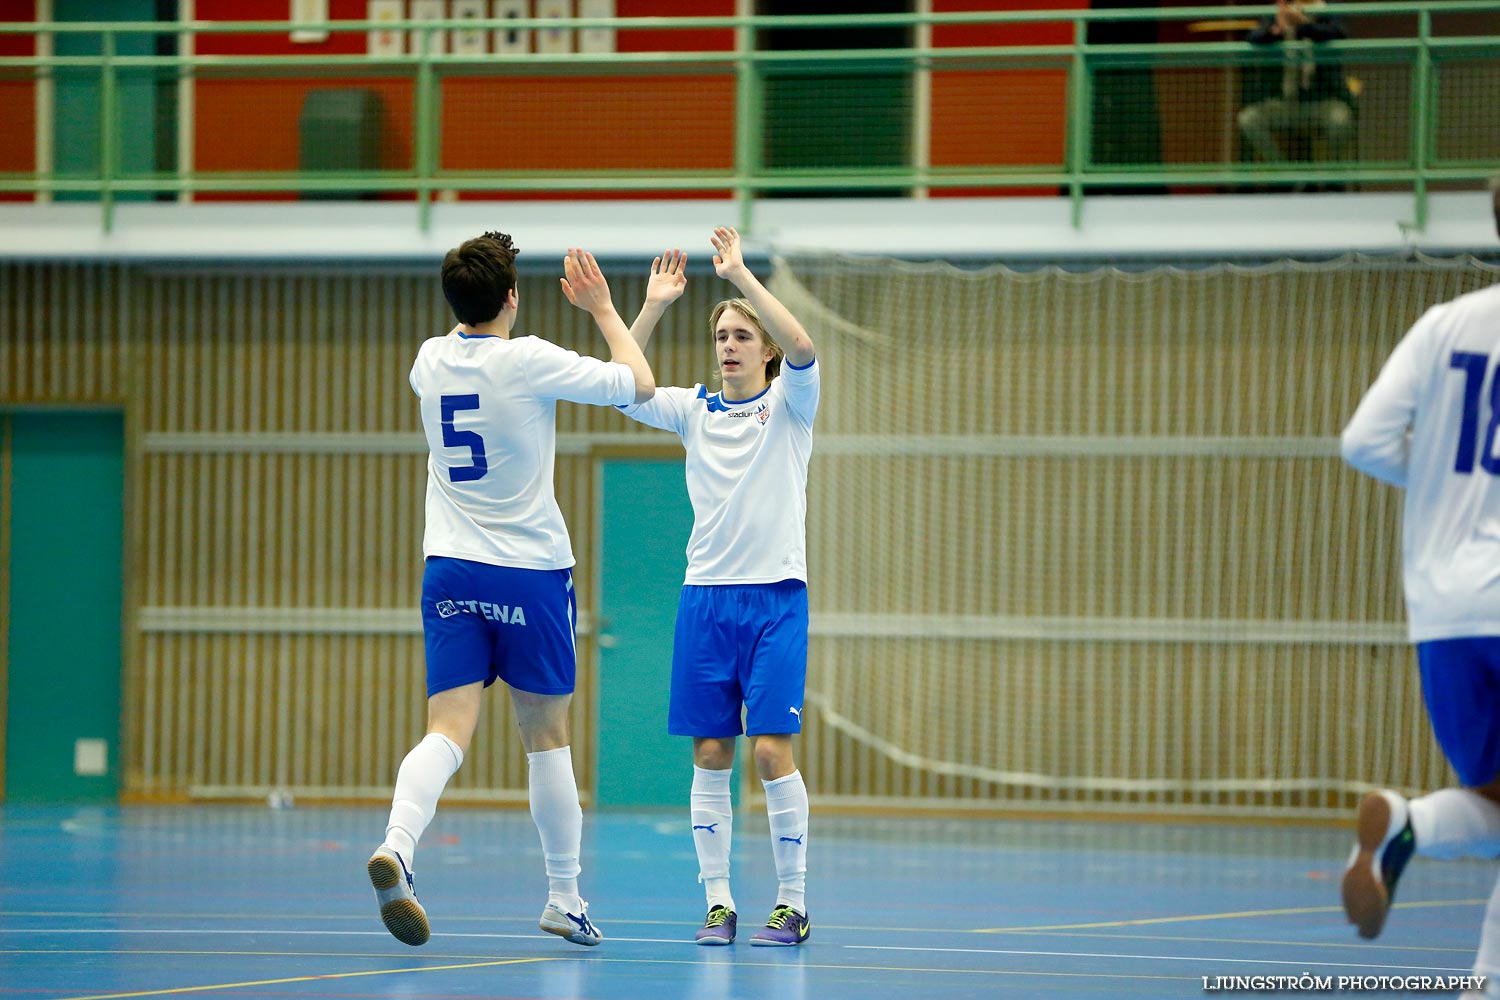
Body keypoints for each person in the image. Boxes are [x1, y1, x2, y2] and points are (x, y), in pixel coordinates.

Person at [367, 231, 655, 949]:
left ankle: (399, 845)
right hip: (527, 571)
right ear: (513, 299)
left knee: (447, 728)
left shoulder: (428, 361)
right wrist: (605, 308)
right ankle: (564, 896)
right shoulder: (529, 359)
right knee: (545, 737)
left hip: (450, 571)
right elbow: (638, 385)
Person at [619, 228, 819, 947]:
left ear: (762, 349)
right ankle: (718, 902)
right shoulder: (693, 409)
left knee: (770, 751)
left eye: (743, 335)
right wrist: (649, 307)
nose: (730, 345)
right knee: (711, 753)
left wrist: (742, 275)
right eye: (723, 335)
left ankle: (792, 902)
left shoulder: (792, 407)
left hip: (774, 600)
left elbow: (803, 347)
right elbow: (623, 386)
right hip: (705, 599)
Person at [1340, 180, 1500, 998]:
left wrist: (1437, 478)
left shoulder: (1445, 324)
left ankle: (1407, 822)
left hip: (1443, 611)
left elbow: (1362, 441)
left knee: (1494, 805)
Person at [1238, 0, 1354, 166]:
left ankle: (1330, 178)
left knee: (1340, 119)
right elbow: (1253, 37)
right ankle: (1284, 173)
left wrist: (1303, 25)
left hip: (1322, 102)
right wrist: (1276, 29)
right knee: (1248, 119)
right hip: (1281, 103)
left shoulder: (1329, 10)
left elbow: (1338, 34)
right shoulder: (1278, 10)